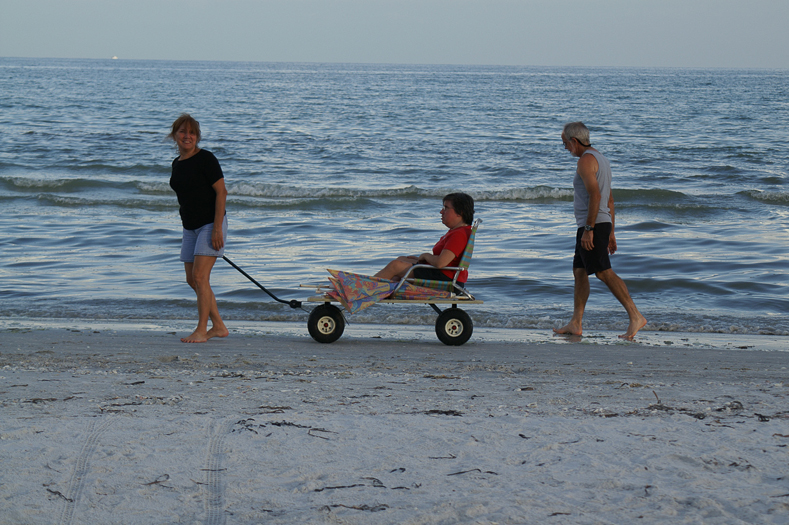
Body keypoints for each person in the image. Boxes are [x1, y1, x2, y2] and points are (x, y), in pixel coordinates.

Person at [553, 122, 647, 340]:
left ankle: (635, 316)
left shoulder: (585, 161)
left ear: (574, 141)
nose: (565, 148)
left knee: (603, 272)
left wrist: (589, 229)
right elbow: (610, 200)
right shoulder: (602, 159)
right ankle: (576, 323)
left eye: (565, 143)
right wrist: (611, 232)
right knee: (579, 271)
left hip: (592, 225)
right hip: (598, 224)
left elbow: (596, 196)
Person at [168, 114, 229, 343]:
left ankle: (202, 330)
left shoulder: (206, 159)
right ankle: (219, 326)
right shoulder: (177, 163)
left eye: (192, 133)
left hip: (210, 225)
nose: (187, 136)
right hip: (189, 227)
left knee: (201, 276)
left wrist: (216, 229)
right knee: (192, 280)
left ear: (197, 137)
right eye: (183, 132)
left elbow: (221, 192)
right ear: (175, 135)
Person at [375, 193, 475, 285]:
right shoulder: (458, 231)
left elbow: (441, 263)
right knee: (401, 259)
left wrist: (426, 256)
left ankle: (367, 288)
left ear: (460, 212)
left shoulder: (459, 234)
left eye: (446, 208)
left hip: (446, 279)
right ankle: (387, 288)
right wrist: (421, 260)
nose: (441, 211)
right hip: (444, 274)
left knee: (395, 266)